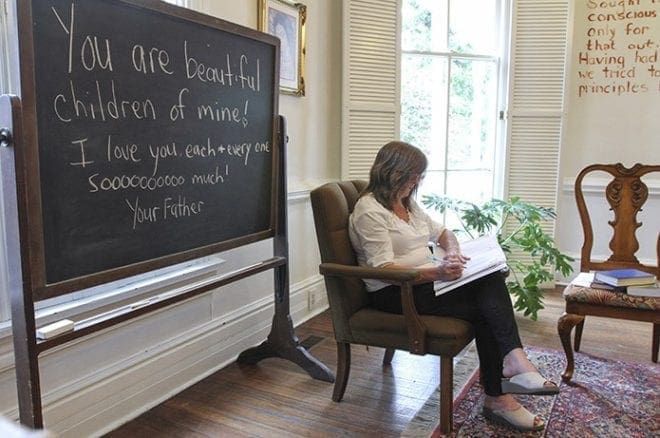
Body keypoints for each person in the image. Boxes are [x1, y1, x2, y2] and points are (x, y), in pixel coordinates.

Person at [348, 141, 559, 432]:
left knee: (490, 278)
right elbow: (383, 271)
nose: (417, 182)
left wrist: (452, 253)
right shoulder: (369, 210)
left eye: (420, 176)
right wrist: (437, 272)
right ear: (392, 172)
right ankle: (505, 382)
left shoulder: (406, 203)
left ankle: (509, 371)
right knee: (488, 305)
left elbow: (443, 232)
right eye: (413, 175)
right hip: (395, 293)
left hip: (426, 282)